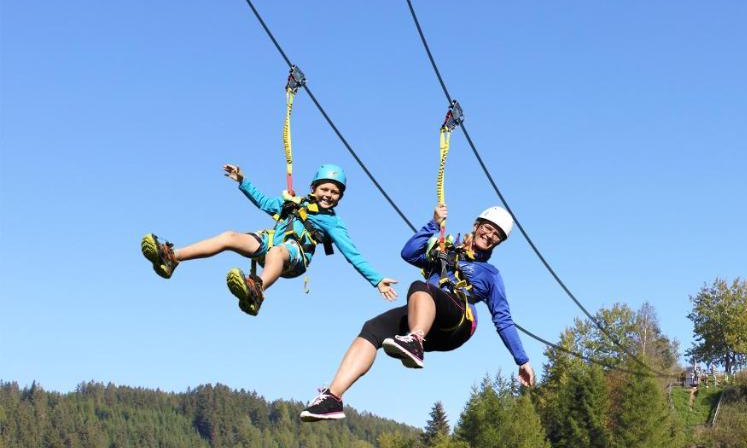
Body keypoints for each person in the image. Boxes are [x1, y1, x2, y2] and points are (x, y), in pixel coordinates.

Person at [300, 203, 535, 421]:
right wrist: (433, 224)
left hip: (458, 322)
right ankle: (333, 397)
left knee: (421, 287)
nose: (490, 236)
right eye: (488, 228)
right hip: (425, 316)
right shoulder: (444, 248)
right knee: (373, 329)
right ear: (477, 225)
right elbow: (409, 253)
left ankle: (414, 341)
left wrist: (522, 360)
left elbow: (502, 319)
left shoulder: (490, 273)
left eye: (497, 235)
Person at [140, 163, 398, 315]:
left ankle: (257, 289)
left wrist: (376, 280)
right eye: (325, 189)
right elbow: (264, 202)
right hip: (270, 242)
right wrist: (242, 181)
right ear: (313, 189)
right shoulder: (294, 204)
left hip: (292, 258)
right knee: (230, 236)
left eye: (335, 192)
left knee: (278, 252)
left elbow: (352, 253)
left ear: (339, 197)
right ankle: (173, 258)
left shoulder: (332, 222)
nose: (329, 195)